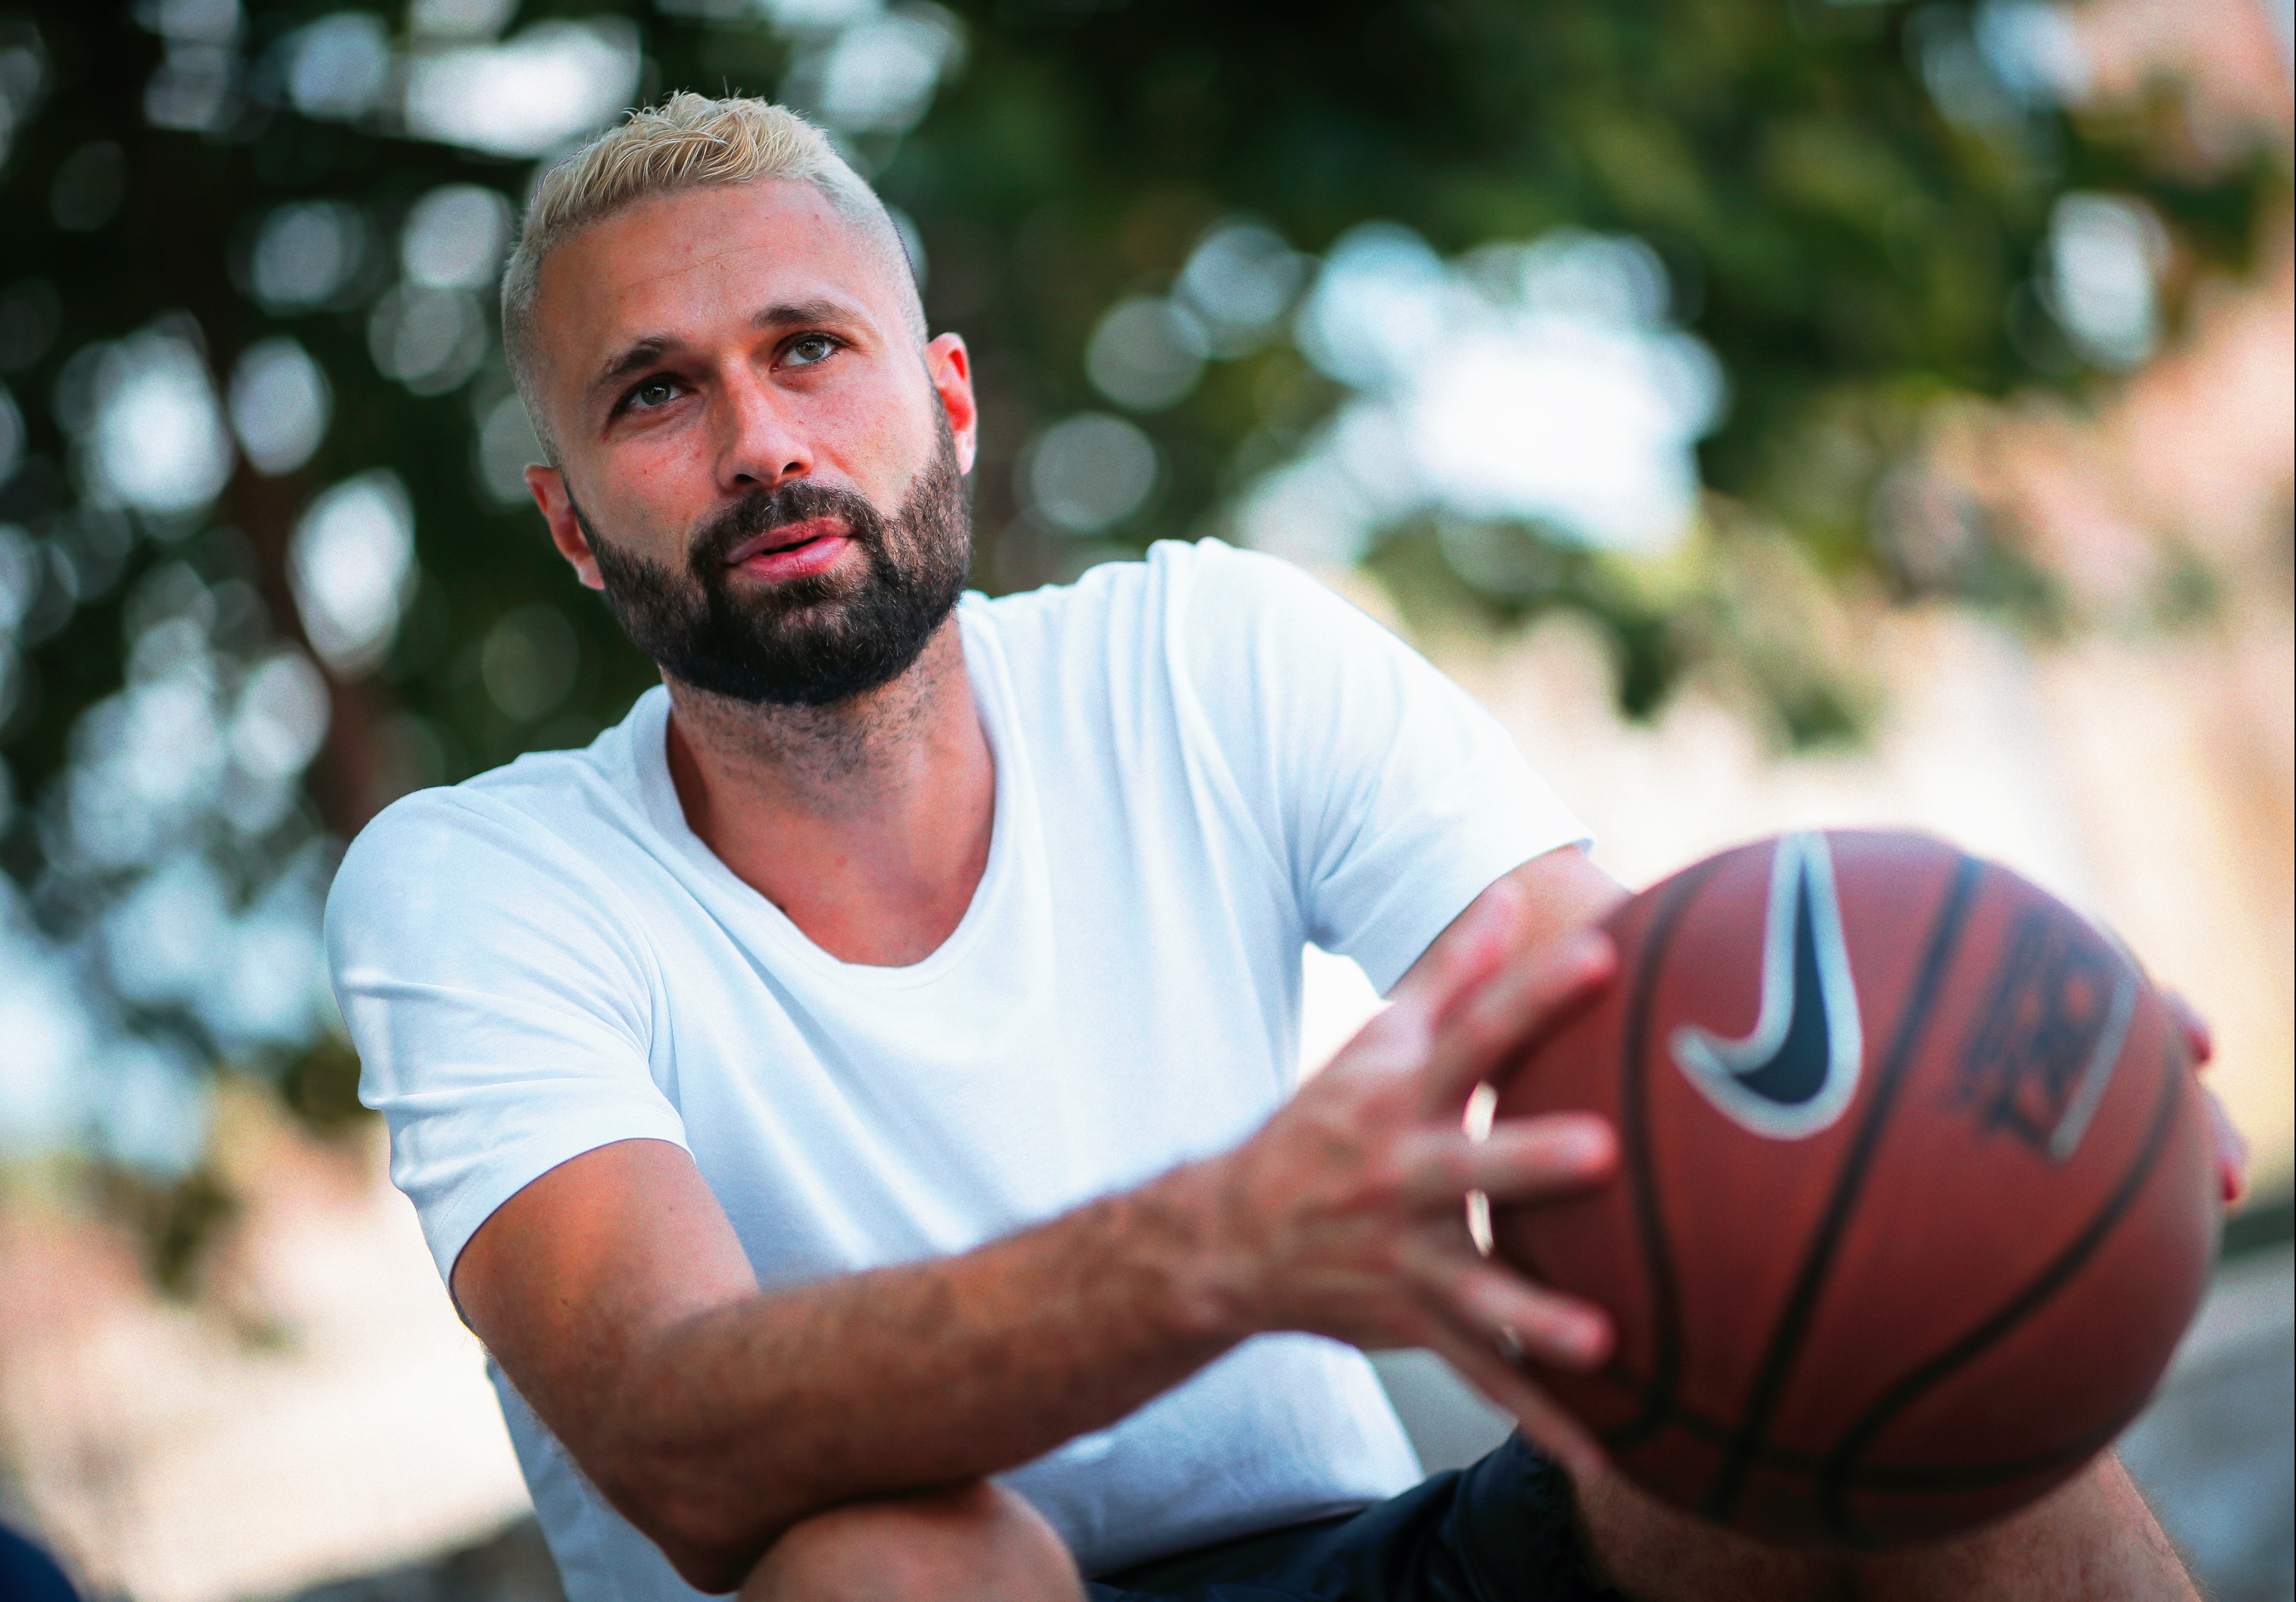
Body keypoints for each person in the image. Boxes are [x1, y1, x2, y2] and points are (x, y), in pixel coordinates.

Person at [326, 94, 2235, 1602]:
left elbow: (1640, 1047)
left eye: (810, 347)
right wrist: (1217, 1247)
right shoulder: (478, 885)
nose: (758, 438)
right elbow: (677, 1434)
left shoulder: (1205, 653)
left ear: (949, 403)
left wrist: (1997, 1087)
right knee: (884, 1563)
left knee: (1904, 1371)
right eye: (655, 391)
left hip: (1380, 1554)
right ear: (574, 527)